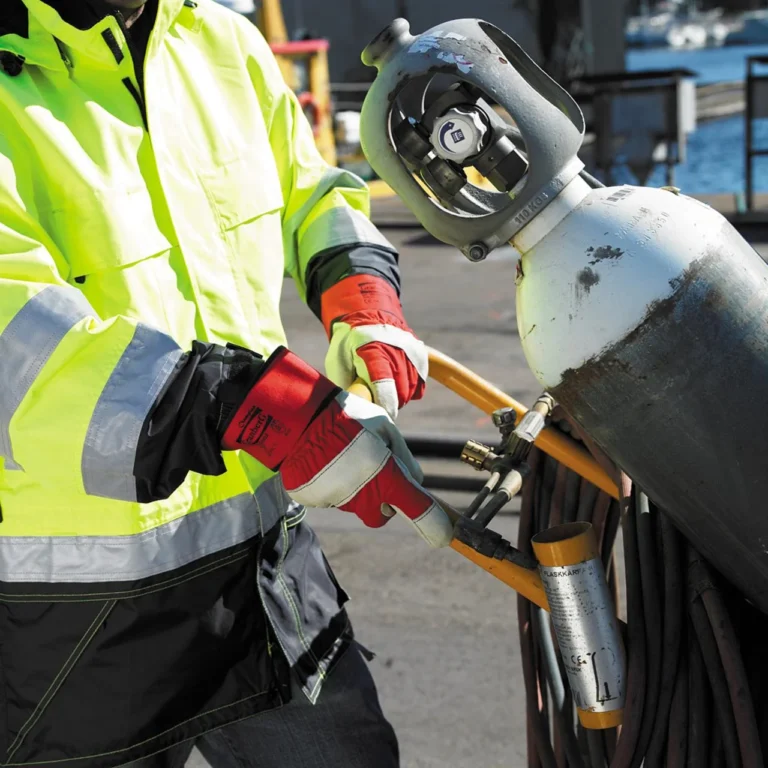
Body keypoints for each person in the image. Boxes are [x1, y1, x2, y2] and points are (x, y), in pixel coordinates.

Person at [0, 1, 454, 766]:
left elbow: (311, 191)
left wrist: (357, 288)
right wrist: (250, 406)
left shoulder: (220, 41)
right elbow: (20, 347)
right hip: (80, 621)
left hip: (263, 572)